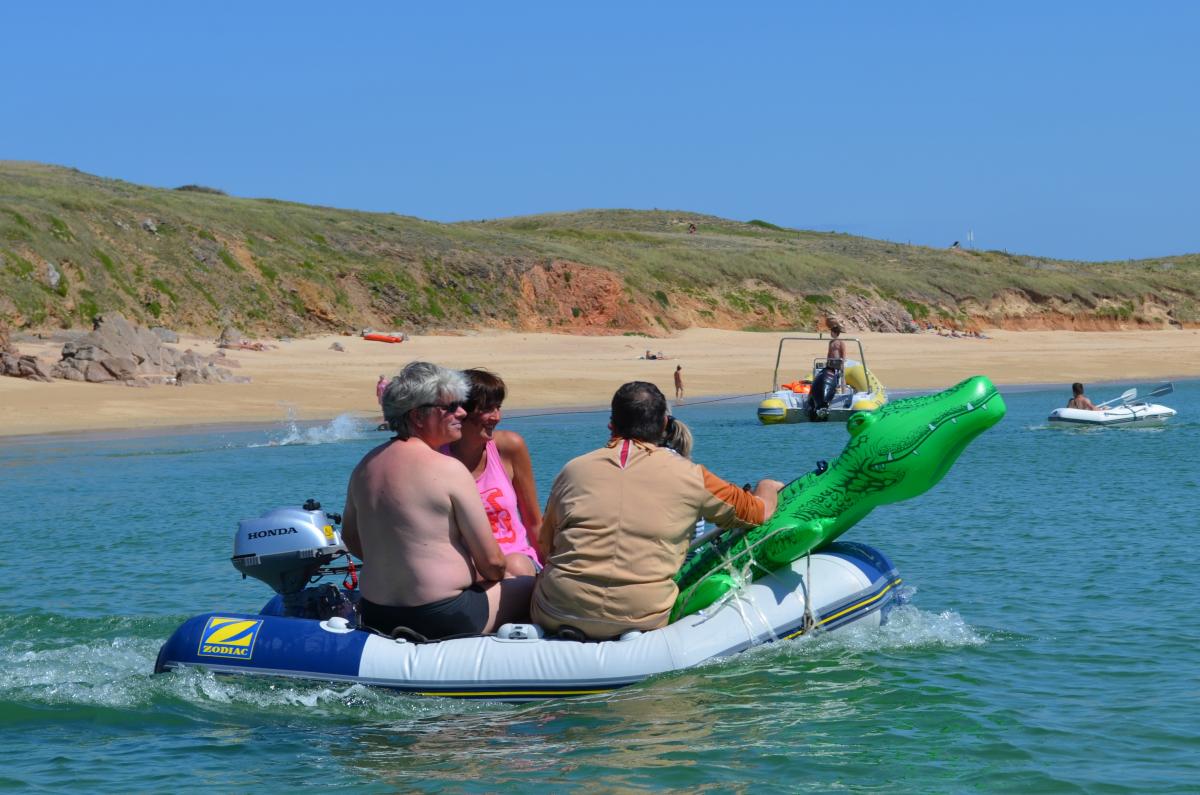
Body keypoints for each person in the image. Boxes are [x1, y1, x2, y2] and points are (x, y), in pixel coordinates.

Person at [531, 381, 784, 640]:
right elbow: (757, 513)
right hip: (642, 614)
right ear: (664, 423)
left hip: (557, 610)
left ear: (611, 425)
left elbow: (546, 544)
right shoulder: (692, 475)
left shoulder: (572, 470)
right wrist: (767, 486)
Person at [341, 361, 534, 639]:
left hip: (376, 612)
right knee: (529, 581)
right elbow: (492, 562)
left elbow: (351, 537)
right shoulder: (447, 469)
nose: (462, 412)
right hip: (443, 615)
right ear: (418, 416)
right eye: (451, 407)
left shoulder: (365, 467)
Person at [444, 368, 542, 577]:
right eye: (487, 409)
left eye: (498, 407)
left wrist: (550, 573)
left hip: (518, 561)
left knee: (515, 565)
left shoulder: (509, 447)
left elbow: (533, 522)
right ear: (461, 412)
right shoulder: (436, 458)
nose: (496, 417)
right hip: (468, 569)